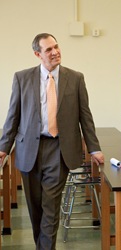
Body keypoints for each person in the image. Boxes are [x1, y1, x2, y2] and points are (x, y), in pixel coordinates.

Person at [0, 33, 104, 249]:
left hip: (59, 149)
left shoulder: (75, 78)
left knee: (51, 205)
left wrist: (94, 148)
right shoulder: (22, 78)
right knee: (35, 207)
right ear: (38, 54)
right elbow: (13, 116)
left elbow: (85, 115)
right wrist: (3, 148)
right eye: (48, 49)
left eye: (56, 46)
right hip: (29, 149)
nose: (55, 52)